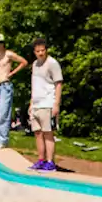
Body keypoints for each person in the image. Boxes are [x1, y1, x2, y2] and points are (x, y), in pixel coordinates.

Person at [0, 33, 28, 149]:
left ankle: (2, 140)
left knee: (3, 113)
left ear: (3, 43)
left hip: (5, 86)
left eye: (0, 43)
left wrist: (12, 73)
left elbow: (24, 62)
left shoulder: (9, 54)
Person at [27, 38, 63, 171]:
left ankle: (50, 161)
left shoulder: (52, 63)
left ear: (46, 50)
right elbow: (34, 85)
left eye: (43, 50)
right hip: (36, 103)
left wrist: (56, 104)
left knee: (48, 133)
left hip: (48, 103)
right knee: (37, 133)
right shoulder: (35, 65)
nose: (40, 53)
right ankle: (41, 160)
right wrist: (31, 103)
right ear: (34, 52)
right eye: (38, 51)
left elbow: (58, 83)